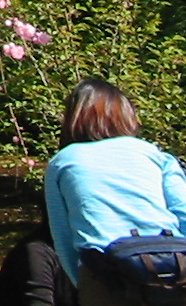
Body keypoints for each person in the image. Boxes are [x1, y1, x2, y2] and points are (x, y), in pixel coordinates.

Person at [44, 78, 186, 306]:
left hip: (104, 273)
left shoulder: (62, 162)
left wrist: (85, 284)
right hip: (173, 269)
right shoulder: (154, 154)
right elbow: (183, 211)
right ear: (126, 115)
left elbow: (63, 238)